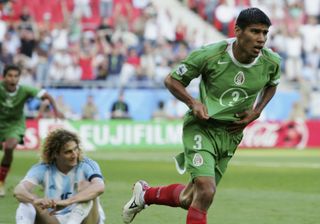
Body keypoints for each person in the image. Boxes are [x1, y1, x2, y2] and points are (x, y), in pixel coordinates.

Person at [122, 7, 281, 224]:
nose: (261, 39)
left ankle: (145, 194)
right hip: (203, 128)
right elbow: (172, 80)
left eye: (265, 33)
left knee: (191, 198)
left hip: (231, 135)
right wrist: (192, 102)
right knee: (206, 190)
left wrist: (257, 111)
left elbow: (272, 85)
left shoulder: (271, 62)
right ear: (238, 31)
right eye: (255, 32)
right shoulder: (210, 54)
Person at [14, 129, 106, 224]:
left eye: (76, 149)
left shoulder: (86, 164)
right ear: (55, 154)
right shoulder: (43, 168)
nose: (74, 155)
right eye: (68, 152)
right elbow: (19, 190)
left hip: (87, 219)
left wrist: (68, 201)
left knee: (86, 186)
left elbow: (99, 186)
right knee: (26, 201)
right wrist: (36, 200)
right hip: (55, 218)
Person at [0, 64, 64, 196]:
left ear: (19, 78)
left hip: (15, 125)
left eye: (16, 76)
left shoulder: (25, 90)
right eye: (10, 76)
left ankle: (1, 182)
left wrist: (56, 113)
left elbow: (47, 96)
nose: (13, 79)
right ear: (4, 77)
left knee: (10, 146)